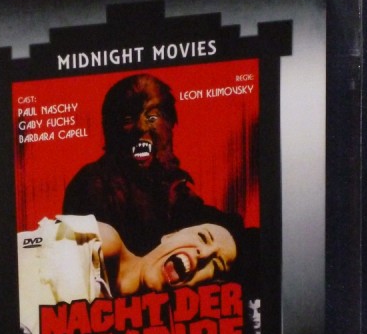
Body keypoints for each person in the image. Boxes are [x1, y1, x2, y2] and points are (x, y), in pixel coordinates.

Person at [63, 74, 242, 254]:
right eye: (128, 119)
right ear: (111, 131)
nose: (142, 127)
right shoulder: (92, 185)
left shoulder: (168, 183)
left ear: (169, 124)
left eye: (152, 116)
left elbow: (209, 223)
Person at [17, 214, 238, 334]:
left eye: (215, 266)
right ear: (170, 236)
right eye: (202, 237)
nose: (203, 254)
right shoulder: (102, 242)